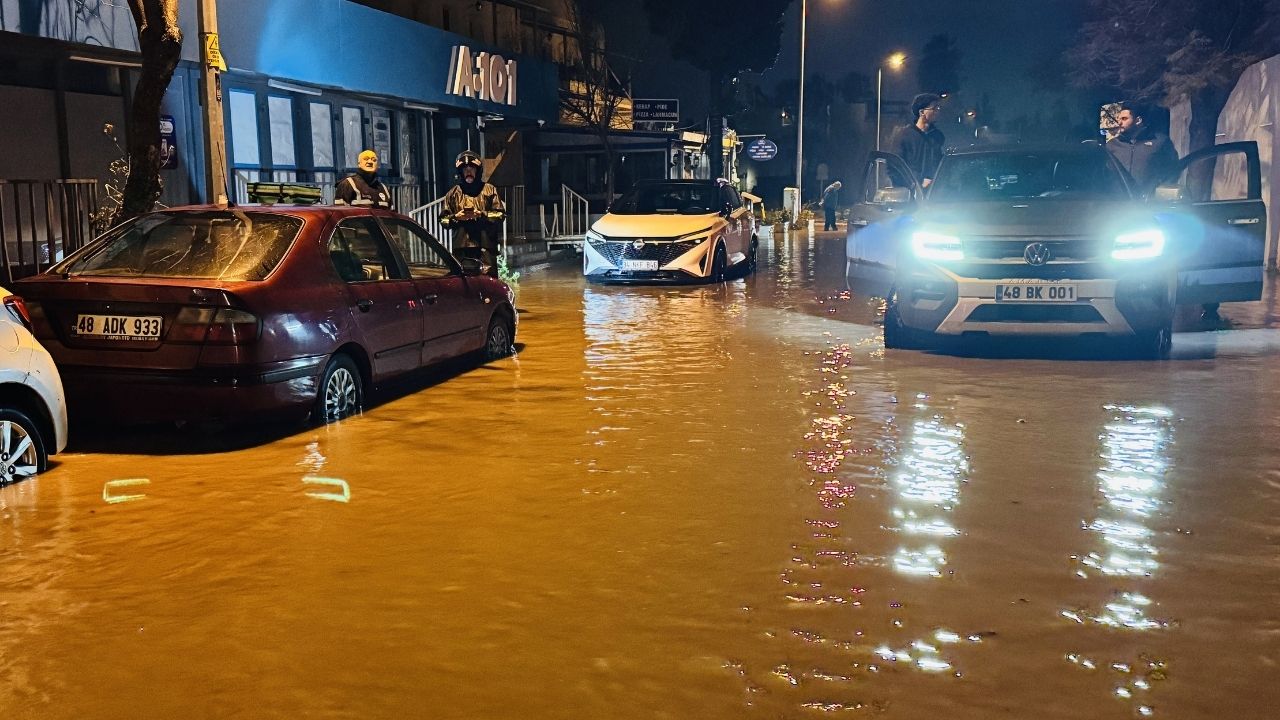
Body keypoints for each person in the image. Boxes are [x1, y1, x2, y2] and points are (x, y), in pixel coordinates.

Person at [440, 150, 506, 276]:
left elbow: (500, 215)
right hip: (461, 251)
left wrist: (481, 215)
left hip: (485, 249)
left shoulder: (489, 190)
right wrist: (456, 217)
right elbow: (443, 220)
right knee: (463, 287)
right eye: (465, 169)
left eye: (472, 168)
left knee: (488, 287)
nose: (468, 171)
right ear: (460, 172)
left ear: (478, 170)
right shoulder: (452, 194)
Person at [1106, 103, 1179, 195]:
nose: (1119, 122)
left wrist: (1161, 191)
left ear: (1138, 121)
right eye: (1119, 119)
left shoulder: (1159, 142)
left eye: (1124, 119)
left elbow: (1174, 168)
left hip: (1149, 203)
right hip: (1116, 202)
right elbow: (1104, 174)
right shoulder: (1112, 145)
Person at [890, 93, 946, 188]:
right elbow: (894, 167)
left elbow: (940, 163)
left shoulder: (938, 136)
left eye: (938, 108)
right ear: (921, 112)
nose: (937, 111)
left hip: (934, 192)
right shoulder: (904, 136)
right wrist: (919, 181)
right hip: (909, 192)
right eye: (934, 108)